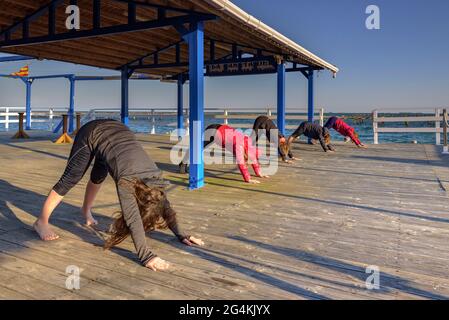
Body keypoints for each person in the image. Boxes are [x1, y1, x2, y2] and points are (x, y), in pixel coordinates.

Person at [34, 119, 204, 272]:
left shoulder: (155, 178)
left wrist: (181, 234)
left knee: (98, 176)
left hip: (117, 133)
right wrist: (145, 255)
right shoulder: (126, 181)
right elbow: (132, 218)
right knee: (71, 177)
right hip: (92, 132)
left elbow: (165, 207)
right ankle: (41, 221)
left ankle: (86, 212)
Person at [179, 124, 269, 184]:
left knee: (199, 147)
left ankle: (184, 163)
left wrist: (259, 173)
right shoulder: (240, 146)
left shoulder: (249, 144)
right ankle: (183, 164)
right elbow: (241, 164)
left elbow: (253, 159)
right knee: (198, 148)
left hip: (222, 129)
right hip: (213, 131)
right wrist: (248, 179)